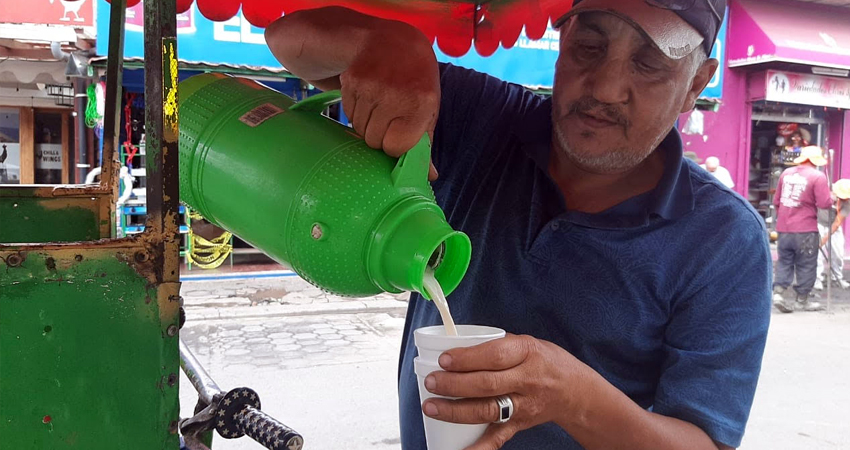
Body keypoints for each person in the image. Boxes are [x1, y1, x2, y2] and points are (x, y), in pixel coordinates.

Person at [265, 1, 770, 449]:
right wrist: (389, 42)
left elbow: (704, 441)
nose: (607, 88)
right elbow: (287, 39)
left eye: (649, 64)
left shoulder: (724, 239)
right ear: (562, 43)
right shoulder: (478, 116)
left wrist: (573, 397)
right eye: (590, 47)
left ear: (696, 85)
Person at [772, 146, 832, 312]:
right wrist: (832, 197)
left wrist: (785, 217)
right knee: (806, 264)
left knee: (784, 261)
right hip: (805, 229)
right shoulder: (817, 176)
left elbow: (777, 201)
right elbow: (824, 204)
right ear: (814, 161)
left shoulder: (786, 173)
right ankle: (802, 300)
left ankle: (778, 293)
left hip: (784, 228)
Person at [815, 178, 850, 290]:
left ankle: (836, 278)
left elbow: (837, 223)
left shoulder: (847, 202)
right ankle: (817, 279)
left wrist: (823, 240)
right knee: (816, 254)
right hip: (818, 223)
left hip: (833, 226)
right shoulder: (824, 192)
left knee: (838, 252)